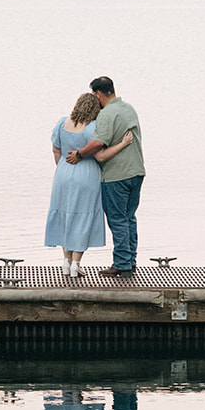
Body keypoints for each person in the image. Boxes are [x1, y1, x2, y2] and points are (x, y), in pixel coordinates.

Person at [46, 93, 136, 277]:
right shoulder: (92, 128)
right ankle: (76, 264)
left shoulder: (62, 123)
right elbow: (101, 155)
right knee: (82, 217)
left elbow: (55, 149)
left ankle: (66, 262)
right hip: (86, 174)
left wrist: (62, 166)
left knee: (65, 215)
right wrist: (123, 143)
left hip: (63, 172)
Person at [66, 76, 144, 273]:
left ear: (98, 94)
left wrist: (79, 154)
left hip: (116, 174)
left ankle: (122, 265)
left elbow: (98, 143)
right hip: (136, 171)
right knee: (129, 218)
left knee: (117, 219)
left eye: (94, 94)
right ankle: (131, 260)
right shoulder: (128, 108)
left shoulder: (107, 114)